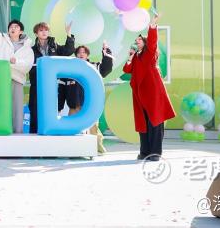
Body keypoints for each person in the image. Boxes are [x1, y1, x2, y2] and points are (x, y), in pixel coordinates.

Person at [124, 12, 174, 160]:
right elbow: (127, 70)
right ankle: (145, 152)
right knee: (143, 125)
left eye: (139, 40)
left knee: (155, 123)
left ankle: (155, 153)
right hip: (140, 96)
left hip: (153, 94)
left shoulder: (149, 53)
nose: (137, 41)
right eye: (136, 40)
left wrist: (153, 25)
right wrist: (130, 57)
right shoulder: (136, 56)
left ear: (145, 42)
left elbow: (152, 40)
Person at [0, 4, 34, 134]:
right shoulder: (2, 41)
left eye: (16, 27)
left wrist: (16, 62)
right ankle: (0, 131)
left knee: (17, 108)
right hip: (1, 79)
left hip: (17, 79)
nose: (13, 28)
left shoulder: (27, 47)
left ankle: (18, 133)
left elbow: (28, 64)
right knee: (0, 106)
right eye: (11, 27)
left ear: (21, 31)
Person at [64, 42, 114, 153]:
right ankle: (72, 149)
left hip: (90, 105)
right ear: (76, 55)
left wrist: (106, 53)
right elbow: (63, 88)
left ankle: (97, 147)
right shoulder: (69, 69)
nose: (81, 54)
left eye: (84, 52)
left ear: (87, 55)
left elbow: (106, 69)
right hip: (74, 105)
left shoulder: (93, 66)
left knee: (93, 127)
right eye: (79, 52)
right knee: (71, 128)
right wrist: (60, 105)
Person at [27, 20, 75, 134]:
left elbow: (69, 51)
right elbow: (28, 65)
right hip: (36, 84)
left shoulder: (55, 46)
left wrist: (68, 33)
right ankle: (33, 135)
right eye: (41, 30)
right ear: (36, 33)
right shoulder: (31, 50)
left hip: (51, 84)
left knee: (50, 110)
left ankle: (49, 135)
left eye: (46, 30)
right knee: (34, 109)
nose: (44, 32)